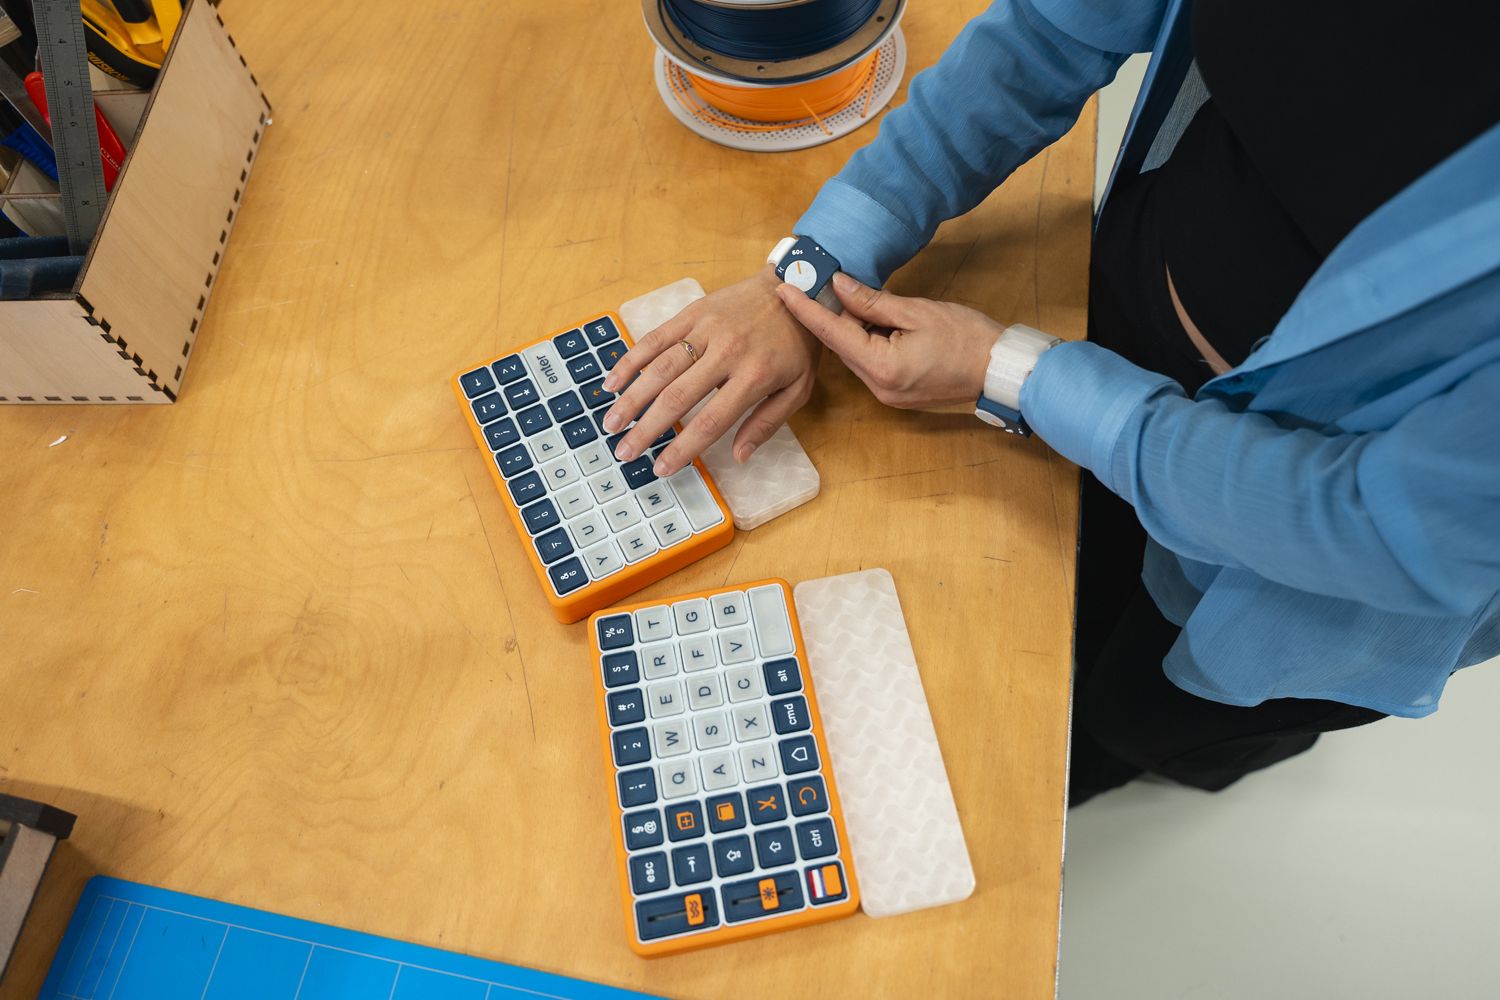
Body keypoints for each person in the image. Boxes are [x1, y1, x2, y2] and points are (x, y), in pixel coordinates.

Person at [599, 0, 1500, 804]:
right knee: (1060, 595)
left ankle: (1182, 761)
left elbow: (1374, 529)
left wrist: (1014, 374)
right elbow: (1050, 28)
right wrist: (818, 269)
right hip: (1106, 327)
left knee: (1135, 715)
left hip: (1304, 571)